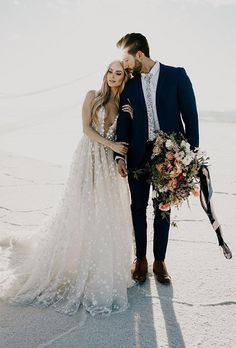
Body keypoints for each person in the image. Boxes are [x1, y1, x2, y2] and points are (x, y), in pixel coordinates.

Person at [0, 60, 134, 316]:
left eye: (118, 73)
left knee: (103, 212)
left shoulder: (122, 105)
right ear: (105, 73)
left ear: (123, 77)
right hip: (88, 157)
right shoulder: (92, 96)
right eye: (110, 71)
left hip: (107, 163)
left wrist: (127, 125)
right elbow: (86, 129)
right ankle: (73, 260)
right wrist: (111, 145)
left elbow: (124, 135)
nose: (113, 77)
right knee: (82, 206)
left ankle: (98, 264)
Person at [115, 33, 199, 284]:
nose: (126, 65)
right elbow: (123, 124)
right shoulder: (128, 86)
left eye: (127, 59)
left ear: (139, 54)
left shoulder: (176, 76)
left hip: (170, 156)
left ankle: (159, 260)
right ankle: (140, 258)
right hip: (138, 156)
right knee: (137, 208)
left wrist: (189, 159)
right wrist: (119, 156)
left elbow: (190, 116)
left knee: (163, 208)